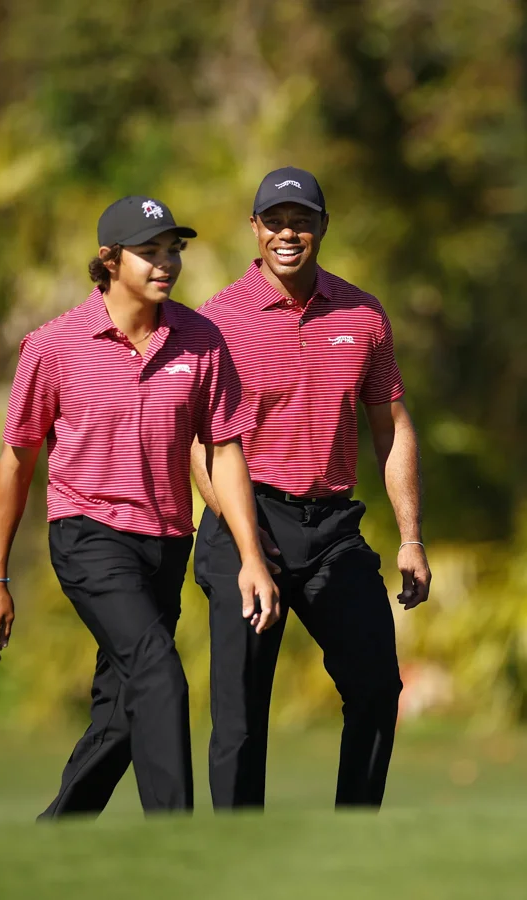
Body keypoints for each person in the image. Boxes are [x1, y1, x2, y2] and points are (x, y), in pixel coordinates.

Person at [0, 195, 279, 817]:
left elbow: (223, 451)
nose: (166, 264)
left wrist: (251, 555)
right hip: (88, 537)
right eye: (150, 252)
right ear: (109, 260)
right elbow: (17, 462)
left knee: (122, 714)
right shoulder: (53, 346)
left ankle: (52, 836)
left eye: (174, 251)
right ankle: (178, 845)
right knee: (160, 674)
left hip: (165, 543)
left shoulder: (202, 341)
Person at [192, 167, 431, 810]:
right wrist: (247, 547)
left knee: (377, 686)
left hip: (332, 530)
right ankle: (238, 856)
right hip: (246, 519)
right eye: (275, 221)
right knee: (241, 712)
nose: (288, 232)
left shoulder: (364, 313)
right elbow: (204, 447)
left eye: (301, 220)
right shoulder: (216, 320)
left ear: (323, 227)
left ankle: (354, 830)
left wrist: (410, 537)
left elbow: (393, 426)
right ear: (255, 229)